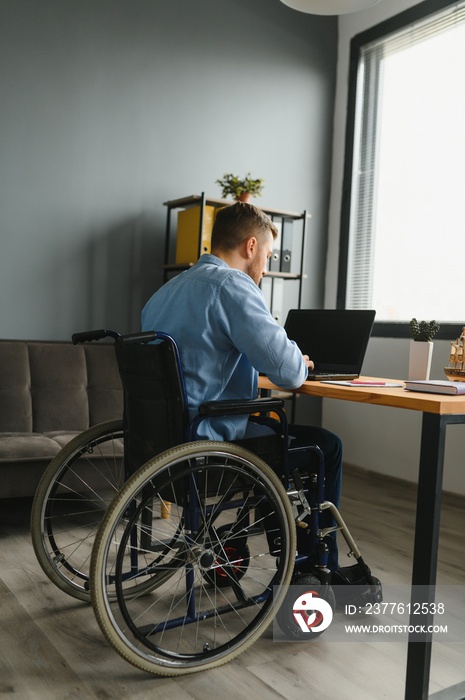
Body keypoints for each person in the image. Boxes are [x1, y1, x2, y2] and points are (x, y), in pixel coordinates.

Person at [142, 202, 347, 577]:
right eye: (267, 255)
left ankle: (270, 539)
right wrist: (300, 361)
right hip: (209, 442)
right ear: (251, 247)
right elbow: (288, 374)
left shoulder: (165, 292)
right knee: (325, 446)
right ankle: (319, 565)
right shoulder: (232, 285)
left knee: (269, 429)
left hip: (163, 440)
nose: (266, 267)